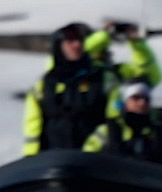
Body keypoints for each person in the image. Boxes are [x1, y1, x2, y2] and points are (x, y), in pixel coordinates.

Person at [22, 21, 121, 154]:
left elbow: (115, 119)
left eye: (80, 40)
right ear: (59, 46)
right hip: (54, 162)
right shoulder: (44, 85)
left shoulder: (103, 79)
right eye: (70, 41)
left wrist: (94, 146)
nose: (77, 45)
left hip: (95, 161)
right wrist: (31, 159)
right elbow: (32, 126)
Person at [83, 81, 162, 168]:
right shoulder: (106, 132)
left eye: (146, 99)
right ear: (125, 102)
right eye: (136, 98)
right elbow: (85, 159)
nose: (142, 103)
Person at [84, 22, 162, 87]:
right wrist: (103, 34)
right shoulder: (79, 68)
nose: (105, 50)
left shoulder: (115, 72)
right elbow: (82, 51)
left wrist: (137, 44)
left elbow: (152, 77)